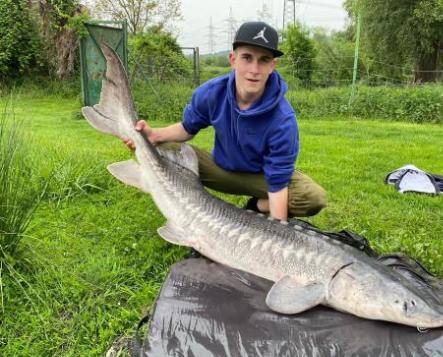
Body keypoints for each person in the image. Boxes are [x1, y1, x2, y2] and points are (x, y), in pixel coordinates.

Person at [124, 21, 326, 221]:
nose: (254, 69)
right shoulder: (212, 93)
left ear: (273, 66)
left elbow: (278, 181)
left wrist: (277, 232)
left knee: (312, 197)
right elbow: (188, 128)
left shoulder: (283, 119)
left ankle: (256, 206)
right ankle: (181, 205)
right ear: (233, 59)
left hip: (260, 177)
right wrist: (154, 135)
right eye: (247, 58)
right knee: (164, 148)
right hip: (220, 169)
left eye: (263, 60)